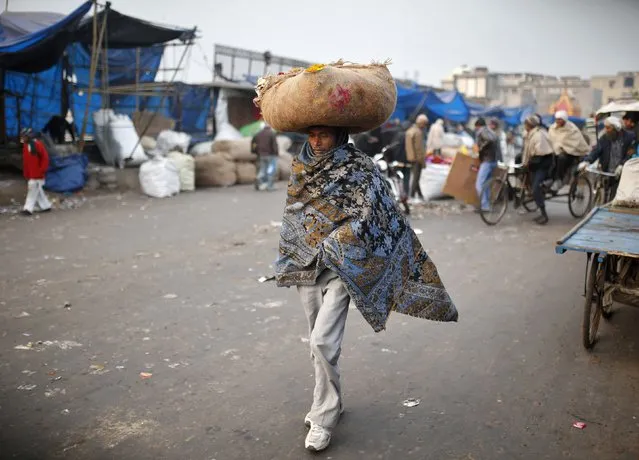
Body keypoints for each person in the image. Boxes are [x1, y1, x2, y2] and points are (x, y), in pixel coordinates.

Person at [276, 125, 458, 452]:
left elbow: (374, 216)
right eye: (312, 134)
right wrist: (300, 246)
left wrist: (337, 240)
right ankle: (328, 402)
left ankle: (324, 419)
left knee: (322, 341)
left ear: (340, 134)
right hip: (308, 264)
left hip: (346, 265)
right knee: (317, 341)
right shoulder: (301, 164)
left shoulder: (361, 168)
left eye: (324, 135)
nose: (317, 141)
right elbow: (295, 210)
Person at [578, 116, 636, 197]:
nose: (606, 130)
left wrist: (622, 165)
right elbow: (596, 151)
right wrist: (587, 161)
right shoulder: (604, 138)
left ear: (616, 128)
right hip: (607, 172)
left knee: (614, 196)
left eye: (608, 128)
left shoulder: (629, 137)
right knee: (604, 194)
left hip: (621, 173)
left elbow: (630, 154)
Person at [522, 114, 554, 225]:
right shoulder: (531, 134)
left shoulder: (539, 135)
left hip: (542, 165)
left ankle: (544, 215)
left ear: (530, 125)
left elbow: (540, 154)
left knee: (536, 189)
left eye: (526, 124)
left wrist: (529, 163)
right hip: (536, 164)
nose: (524, 126)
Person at [548, 110, 590, 192]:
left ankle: (559, 180)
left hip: (570, 154)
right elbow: (551, 141)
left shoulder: (572, 129)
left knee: (561, 158)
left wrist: (563, 149)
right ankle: (549, 179)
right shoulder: (552, 128)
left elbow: (574, 143)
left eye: (560, 119)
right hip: (555, 153)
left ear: (564, 119)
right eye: (557, 119)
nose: (558, 121)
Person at [20, 128, 52, 215]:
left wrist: (42, 170)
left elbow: (45, 159)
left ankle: (28, 209)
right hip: (32, 174)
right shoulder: (26, 146)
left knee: (32, 190)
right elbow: (26, 162)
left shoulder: (37, 145)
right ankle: (46, 206)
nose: (22, 138)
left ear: (29, 136)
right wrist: (26, 173)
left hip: (37, 174)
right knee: (37, 191)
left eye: (24, 136)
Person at [474, 118, 499, 212]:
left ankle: (484, 206)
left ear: (478, 126)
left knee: (479, 184)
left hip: (487, 161)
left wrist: (481, 147)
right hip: (493, 161)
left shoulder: (482, 131)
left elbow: (490, 140)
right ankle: (487, 205)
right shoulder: (491, 131)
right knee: (486, 184)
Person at [405, 114, 428, 203]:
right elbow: (419, 148)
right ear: (422, 123)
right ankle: (412, 195)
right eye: (425, 124)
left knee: (415, 177)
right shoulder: (418, 132)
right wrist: (422, 160)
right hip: (417, 158)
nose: (425, 126)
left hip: (411, 158)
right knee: (416, 177)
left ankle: (420, 195)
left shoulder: (410, 130)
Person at [251, 124, 279, 191]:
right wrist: (276, 153)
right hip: (271, 155)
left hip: (261, 155)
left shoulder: (258, 134)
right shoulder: (272, 133)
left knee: (263, 170)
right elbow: (274, 145)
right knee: (271, 170)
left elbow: (253, 143)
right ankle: (270, 186)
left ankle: (259, 178)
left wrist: (254, 151)